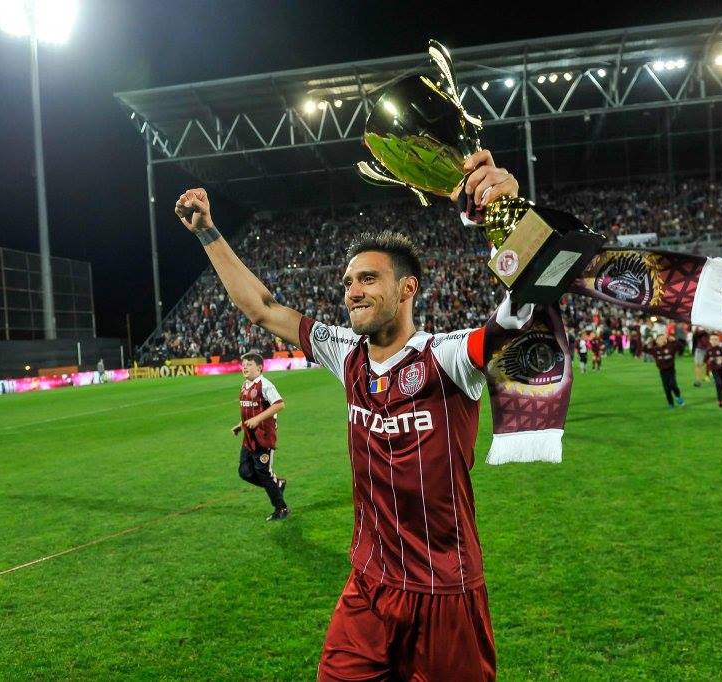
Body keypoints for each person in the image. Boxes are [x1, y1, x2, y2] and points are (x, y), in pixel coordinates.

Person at [175, 148, 518, 681]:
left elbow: (520, 316)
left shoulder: (448, 357)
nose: (352, 291)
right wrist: (208, 233)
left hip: (444, 588)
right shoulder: (346, 353)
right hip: (368, 586)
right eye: (348, 282)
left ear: (408, 288)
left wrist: (507, 216)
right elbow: (263, 309)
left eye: (368, 279)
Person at [230, 352, 290, 520]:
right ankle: (277, 484)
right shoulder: (245, 385)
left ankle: (282, 508)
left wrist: (257, 420)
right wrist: (240, 425)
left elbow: (279, 404)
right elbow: (250, 411)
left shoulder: (265, 385)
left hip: (263, 438)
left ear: (259, 368)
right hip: (249, 438)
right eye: (243, 364)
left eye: (249, 364)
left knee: (263, 473)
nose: (244, 367)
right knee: (245, 472)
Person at [647, 334, 685, 409]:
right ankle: (670, 403)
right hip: (662, 371)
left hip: (671, 370)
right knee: (666, 388)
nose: (662, 340)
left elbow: (681, 347)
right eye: (660, 339)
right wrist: (647, 342)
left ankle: (678, 396)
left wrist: (675, 340)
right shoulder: (655, 349)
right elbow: (645, 349)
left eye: (663, 338)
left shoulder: (671, 346)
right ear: (657, 341)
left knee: (673, 385)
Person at [704, 333, 722, 408]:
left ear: (719, 341)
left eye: (716, 339)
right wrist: (709, 360)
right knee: (718, 384)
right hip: (714, 370)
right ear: (710, 341)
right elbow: (705, 360)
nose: (714, 341)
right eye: (712, 339)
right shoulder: (708, 350)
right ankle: (720, 401)